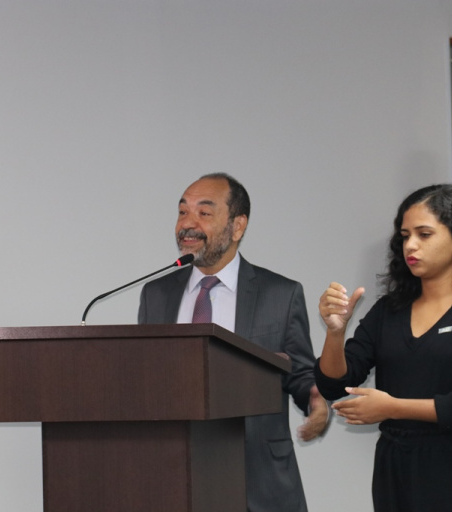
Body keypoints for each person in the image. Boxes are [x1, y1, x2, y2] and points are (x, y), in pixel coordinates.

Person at [315, 184, 452, 512]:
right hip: (394, 468)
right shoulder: (389, 310)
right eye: (405, 236)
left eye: (424, 234)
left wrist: (394, 408)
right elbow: (334, 384)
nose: (410, 245)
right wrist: (335, 333)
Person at [138, 173, 327, 512]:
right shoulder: (156, 295)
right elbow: (146, 378)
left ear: (238, 226)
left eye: (204, 213)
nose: (188, 224)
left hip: (258, 479)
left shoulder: (280, 294)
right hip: (175, 477)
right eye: (182, 212)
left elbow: (299, 374)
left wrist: (315, 398)